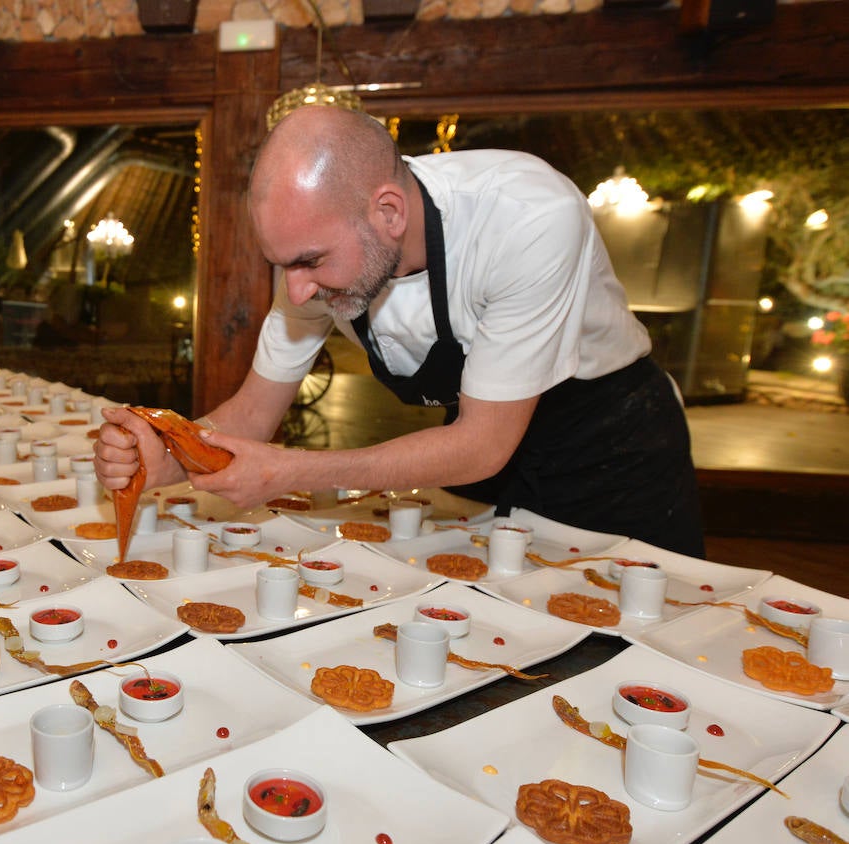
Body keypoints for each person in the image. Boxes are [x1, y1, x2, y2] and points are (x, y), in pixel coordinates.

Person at [95, 106, 704, 557]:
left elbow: (482, 444)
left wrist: (289, 471)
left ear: (388, 213)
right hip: (478, 448)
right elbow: (252, 416)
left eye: (309, 261)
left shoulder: (528, 216)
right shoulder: (322, 254)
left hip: (608, 444)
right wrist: (169, 456)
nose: (298, 291)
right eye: (283, 266)